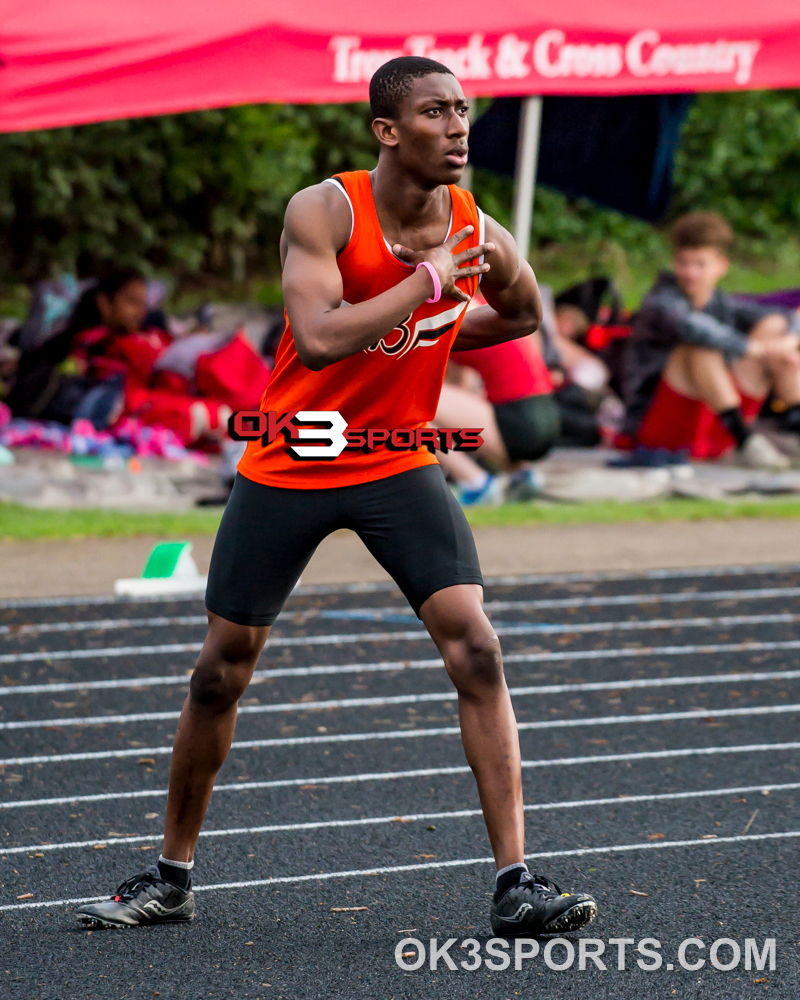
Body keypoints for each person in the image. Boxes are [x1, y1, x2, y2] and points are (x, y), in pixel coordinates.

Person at [76, 56, 598, 937]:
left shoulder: (475, 224)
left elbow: (520, 314)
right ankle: (170, 877)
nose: (460, 125)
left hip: (396, 462)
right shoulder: (324, 209)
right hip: (291, 459)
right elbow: (316, 340)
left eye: (464, 109)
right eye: (437, 111)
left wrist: (439, 314)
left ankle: (516, 883)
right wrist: (426, 287)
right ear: (388, 131)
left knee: (477, 649)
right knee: (219, 672)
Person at [623, 212, 800, 468]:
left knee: (774, 327)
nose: (690, 272)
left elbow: (782, 316)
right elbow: (694, 328)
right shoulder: (661, 302)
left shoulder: (722, 302)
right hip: (656, 426)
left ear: (721, 266)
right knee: (700, 349)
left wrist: (788, 342)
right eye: (683, 262)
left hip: (713, 419)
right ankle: (745, 441)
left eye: (699, 264)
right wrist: (752, 347)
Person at [435, 305, 559, 504]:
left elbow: (453, 384)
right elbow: (461, 383)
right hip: (547, 413)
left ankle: (476, 483)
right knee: (434, 406)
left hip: (519, 421)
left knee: (410, 404)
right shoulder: (479, 305)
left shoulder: (440, 314)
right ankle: (519, 473)